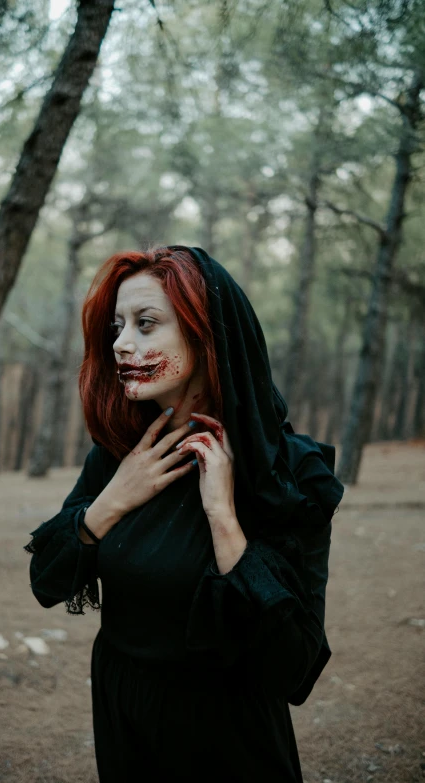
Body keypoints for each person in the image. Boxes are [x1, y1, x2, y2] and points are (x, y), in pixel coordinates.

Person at [24, 245, 345, 783]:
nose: (123, 343)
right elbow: (46, 580)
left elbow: (294, 667)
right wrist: (109, 503)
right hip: (125, 720)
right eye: (118, 326)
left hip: (227, 737)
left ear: (206, 335)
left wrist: (223, 517)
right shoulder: (120, 455)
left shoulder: (287, 474)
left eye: (146, 324)